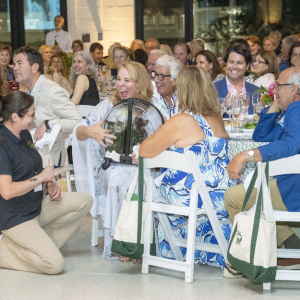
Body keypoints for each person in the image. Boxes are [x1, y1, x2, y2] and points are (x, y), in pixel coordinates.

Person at [139, 66, 231, 268]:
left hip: (188, 197)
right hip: (218, 196)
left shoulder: (182, 120)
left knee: (153, 185)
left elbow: (144, 150)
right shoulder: (217, 118)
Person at [0, 91, 92, 274]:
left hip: (36, 206)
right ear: (14, 117)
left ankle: (40, 247)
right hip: (14, 218)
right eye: (31, 114)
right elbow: (7, 191)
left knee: (85, 200)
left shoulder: (24, 134)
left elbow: (33, 170)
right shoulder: (2, 144)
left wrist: (48, 184)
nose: (34, 119)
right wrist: (41, 178)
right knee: (55, 265)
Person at [72, 61, 154, 259]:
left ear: (140, 83)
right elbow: (79, 130)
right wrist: (91, 131)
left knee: (141, 178)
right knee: (118, 177)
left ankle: (143, 241)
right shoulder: (109, 104)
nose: (120, 85)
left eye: (127, 80)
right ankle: (121, 242)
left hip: (148, 165)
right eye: (119, 79)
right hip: (115, 165)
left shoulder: (152, 107)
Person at [224, 66, 300, 274]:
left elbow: (292, 145)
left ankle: (257, 258)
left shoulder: (297, 109)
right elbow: (262, 135)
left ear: (294, 89)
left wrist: (245, 155)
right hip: (291, 184)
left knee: (233, 196)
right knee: (256, 194)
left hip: (294, 189)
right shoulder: (292, 110)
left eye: (279, 87)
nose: (275, 90)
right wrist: (277, 102)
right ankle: (291, 246)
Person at [13, 46, 82, 167]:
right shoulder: (27, 91)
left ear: (34, 67)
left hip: (48, 155)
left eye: (19, 64)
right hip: (27, 151)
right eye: (14, 64)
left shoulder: (51, 91)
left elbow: (77, 121)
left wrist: (48, 124)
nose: (15, 68)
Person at [214, 44, 259, 114]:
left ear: (247, 66)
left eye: (239, 63)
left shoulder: (256, 91)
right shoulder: (212, 89)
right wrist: (223, 107)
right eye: (231, 62)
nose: (234, 66)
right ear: (225, 64)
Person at [153, 54, 183, 118]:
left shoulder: (185, 100)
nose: (156, 80)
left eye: (162, 76)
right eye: (155, 74)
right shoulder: (150, 97)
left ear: (174, 80)